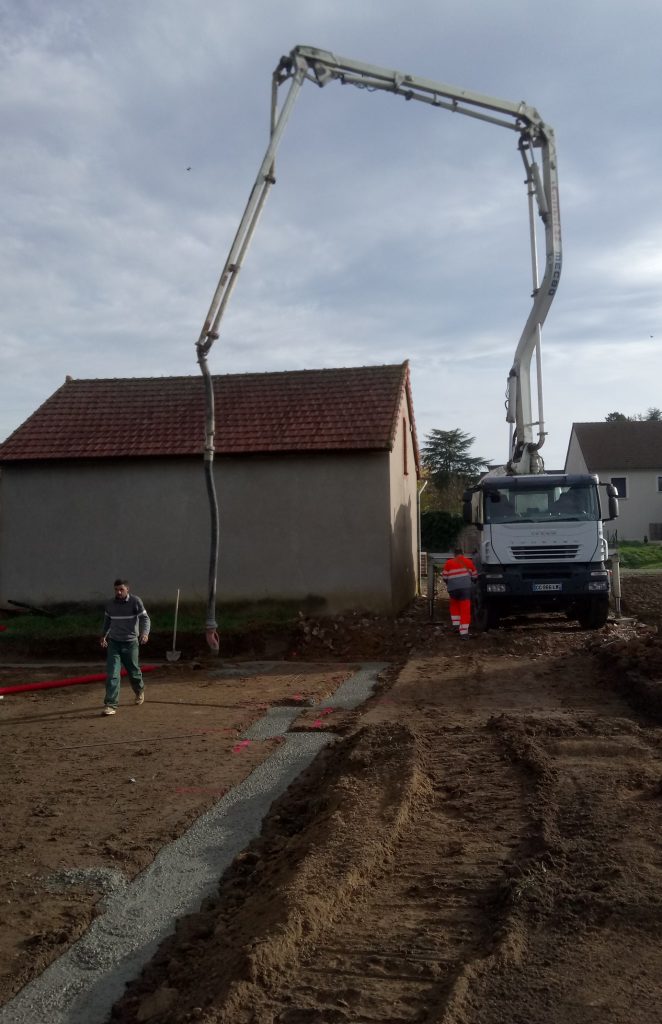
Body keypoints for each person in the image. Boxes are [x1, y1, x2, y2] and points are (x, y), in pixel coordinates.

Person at [100, 578, 150, 716]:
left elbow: (145, 619)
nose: (119, 592)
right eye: (116, 589)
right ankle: (111, 704)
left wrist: (145, 633)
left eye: (121, 589)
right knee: (112, 674)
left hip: (131, 642)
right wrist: (103, 636)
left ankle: (139, 690)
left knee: (133, 671)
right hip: (114, 643)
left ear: (128, 589)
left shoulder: (135, 602)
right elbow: (107, 621)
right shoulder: (110, 604)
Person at [441, 547, 478, 638]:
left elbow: (445, 577)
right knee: (465, 609)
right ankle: (464, 632)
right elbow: (475, 576)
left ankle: (456, 626)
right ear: (463, 554)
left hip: (453, 589)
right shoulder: (469, 562)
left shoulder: (449, 563)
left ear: (454, 554)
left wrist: (451, 583)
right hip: (465, 589)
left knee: (454, 605)